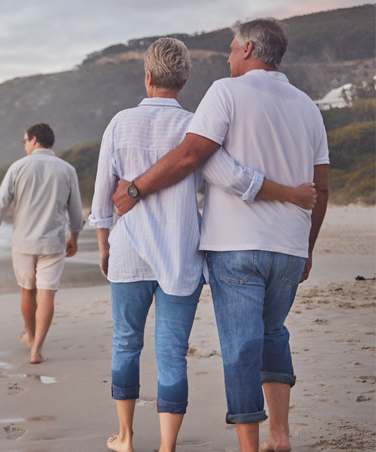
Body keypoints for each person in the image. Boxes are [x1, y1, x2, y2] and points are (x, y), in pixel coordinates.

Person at [112, 19, 329, 452]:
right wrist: (306, 248)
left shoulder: (226, 92)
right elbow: (321, 188)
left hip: (237, 246)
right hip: (289, 245)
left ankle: (250, 447)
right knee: (273, 333)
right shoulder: (308, 106)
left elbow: (192, 156)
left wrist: (135, 189)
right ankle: (279, 436)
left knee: (240, 347)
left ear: (248, 49)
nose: (228, 57)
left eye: (231, 48)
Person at [0, 123, 83, 364]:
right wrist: (74, 237)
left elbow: (0, 204)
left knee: (27, 292)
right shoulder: (67, 169)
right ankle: (36, 349)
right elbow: (76, 211)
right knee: (47, 295)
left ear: (34, 140)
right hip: (53, 243)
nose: (25, 146)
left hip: (24, 243)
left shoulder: (18, 167)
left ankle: (31, 336)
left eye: (25, 141)